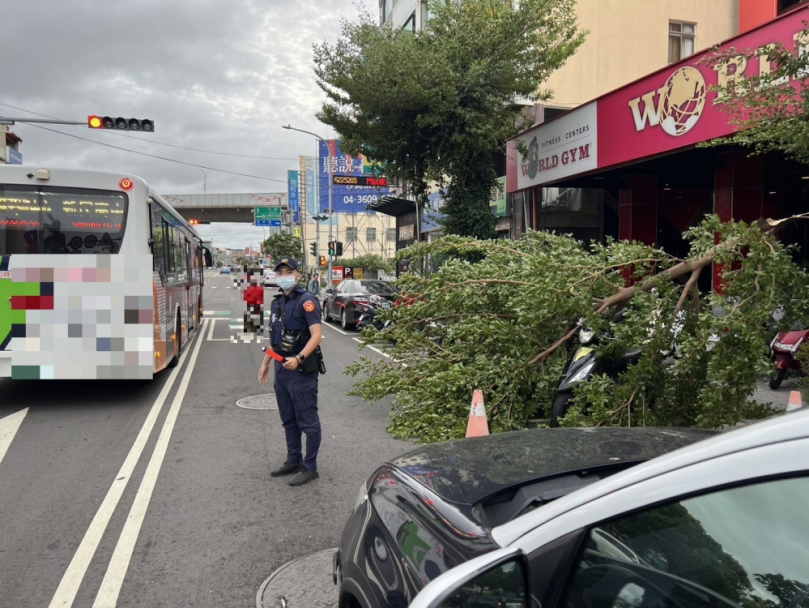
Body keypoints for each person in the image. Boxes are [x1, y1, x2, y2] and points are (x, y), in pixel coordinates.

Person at [258, 257, 323, 486]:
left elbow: (317, 336)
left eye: (289, 271)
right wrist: (266, 363)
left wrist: (299, 358)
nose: (284, 275)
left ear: (298, 275)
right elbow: (276, 339)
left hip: (302, 369)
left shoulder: (307, 300)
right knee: (288, 419)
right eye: (280, 272)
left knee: (308, 420)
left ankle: (310, 466)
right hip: (282, 370)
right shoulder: (277, 303)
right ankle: (293, 460)